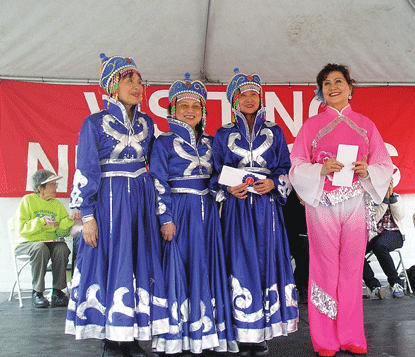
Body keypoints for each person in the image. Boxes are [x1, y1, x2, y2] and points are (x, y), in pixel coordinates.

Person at [66, 54, 168, 357]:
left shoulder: (147, 123)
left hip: (140, 202)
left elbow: (157, 164)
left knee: (138, 262)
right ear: (112, 86)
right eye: (129, 80)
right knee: (112, 263)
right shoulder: (94, 123)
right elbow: (86, 168)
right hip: (109, 203)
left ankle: (133, 335)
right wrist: (87, 216)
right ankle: (111, 338)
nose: (137, 86)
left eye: (139, 81)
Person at [289, 63, 393, 356]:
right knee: (323, 269)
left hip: (355, 202)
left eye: (338, 81)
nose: (332, 87)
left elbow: (385, 165)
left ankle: (351, 335)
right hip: (322, 204)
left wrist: (366, 169)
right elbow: (296, 167)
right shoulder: (310, 126)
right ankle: (325, 340)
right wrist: (319, 168)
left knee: (351, 269)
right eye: (326, 84)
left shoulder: (365, 124)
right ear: (321, 92)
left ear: (350, 87)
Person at [213, 69, 299, 356]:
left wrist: (274, 182)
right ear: (233, 100)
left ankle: (261, 334)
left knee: (265, 262)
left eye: (254, 95)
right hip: (236, 209)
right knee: (238, 262)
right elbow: (213, 173)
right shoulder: (223, 134)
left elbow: (285, 167)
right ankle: (239, 331)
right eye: (243, 95)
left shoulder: (274, 131)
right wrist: (228, 188)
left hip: (265, 208)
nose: (249, 99)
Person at [149, 74, 237, 354]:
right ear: (172, 110)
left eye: (196, 106)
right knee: (179, 269)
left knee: (207, 267)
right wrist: (166, 218)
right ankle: (178, 336)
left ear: (203, 112)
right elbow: (157, 182)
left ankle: (206, 335)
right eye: (183, 105)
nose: (190, 111)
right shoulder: (162, 143)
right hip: (179, 212)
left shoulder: (211, 142)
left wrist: (226, 186)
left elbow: (218, 175)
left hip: (208, 212)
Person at [14, 169, 74, 308]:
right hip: (28, 243)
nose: (55, 187)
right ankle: (38, 292)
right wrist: (41, 221)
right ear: (40, 188)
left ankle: (58, 292)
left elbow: (61, 232)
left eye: (55, 184)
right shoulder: (27, 201)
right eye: (52, 184)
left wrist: (69, 221)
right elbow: (22, 228)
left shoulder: (56, 204)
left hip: (50, 242)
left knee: (61, 248)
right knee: (40, 248)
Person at [363, 177, 406, 299]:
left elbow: (399, 215)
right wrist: (384, 201)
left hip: (393, 233)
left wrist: (391, 198)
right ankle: (374, 286)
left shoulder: (397, 197)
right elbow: (374, 219)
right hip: (374, 234)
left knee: (380, 245)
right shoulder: (370, 199)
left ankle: (396, 283)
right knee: (355, 251)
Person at [282, 190, 310, 305]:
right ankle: (300, 286)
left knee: (306, 248)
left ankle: (299, 283)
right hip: (290, 220)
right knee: (303, 247)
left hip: (307, 219)